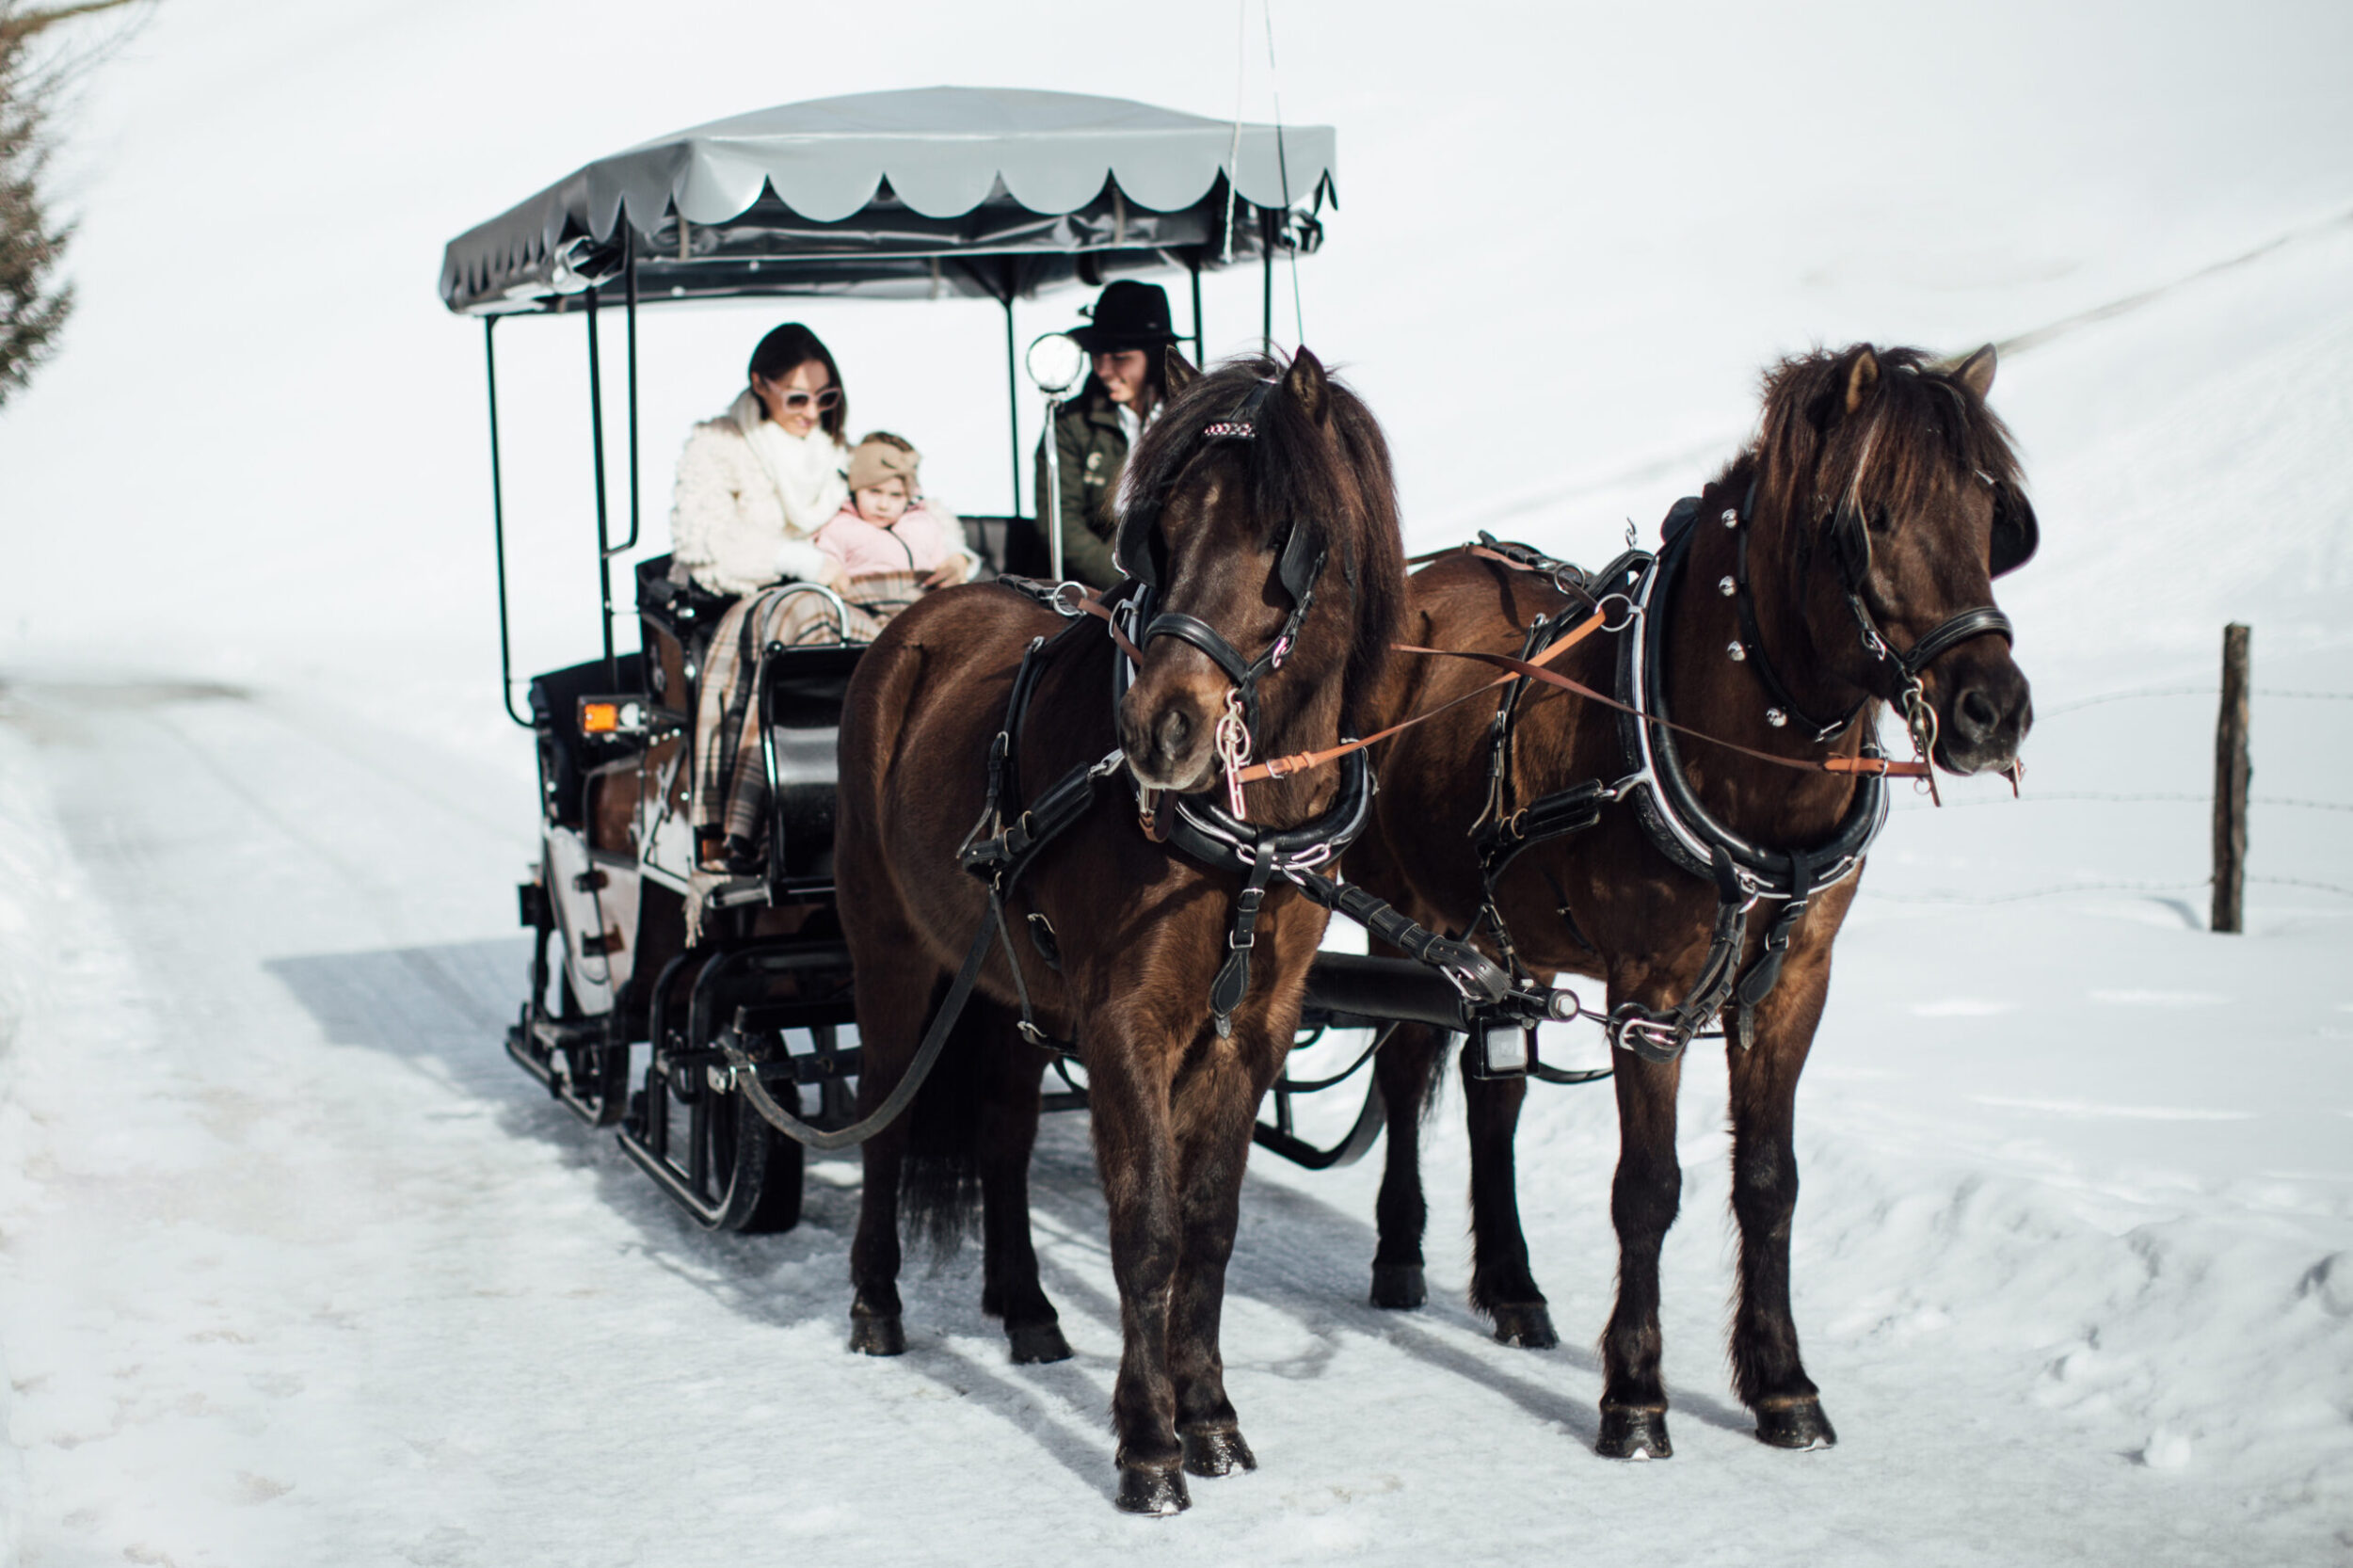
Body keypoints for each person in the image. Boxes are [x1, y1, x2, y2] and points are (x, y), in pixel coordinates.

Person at [669, 323, 852, 597]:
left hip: (831, 597)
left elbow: (896, 497)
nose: (812, 413)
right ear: (759, 384)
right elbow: (704, 545)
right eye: (797, 399)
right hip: (742, 602)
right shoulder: (718, 446)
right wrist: (800, 561)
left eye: (825, 398)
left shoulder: (835, 450)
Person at [1034, 280, 1181, 590]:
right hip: (1097, 588)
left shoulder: (1192, 419)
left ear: (1154, 356)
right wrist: (1120, 583)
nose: (1103, 371)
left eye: (1119, 358)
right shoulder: (1070, 422)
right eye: (1097, 356)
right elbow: (1060, 520)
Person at [812, 433, 978, 617]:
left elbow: (942, 565)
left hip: (922, 609)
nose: (883, 505)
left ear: (909, 496)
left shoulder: (924, 524)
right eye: (874, 492)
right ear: (854, 490)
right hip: (866, 608)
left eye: (896, 495)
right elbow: (827, 562)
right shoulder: (840, 527)